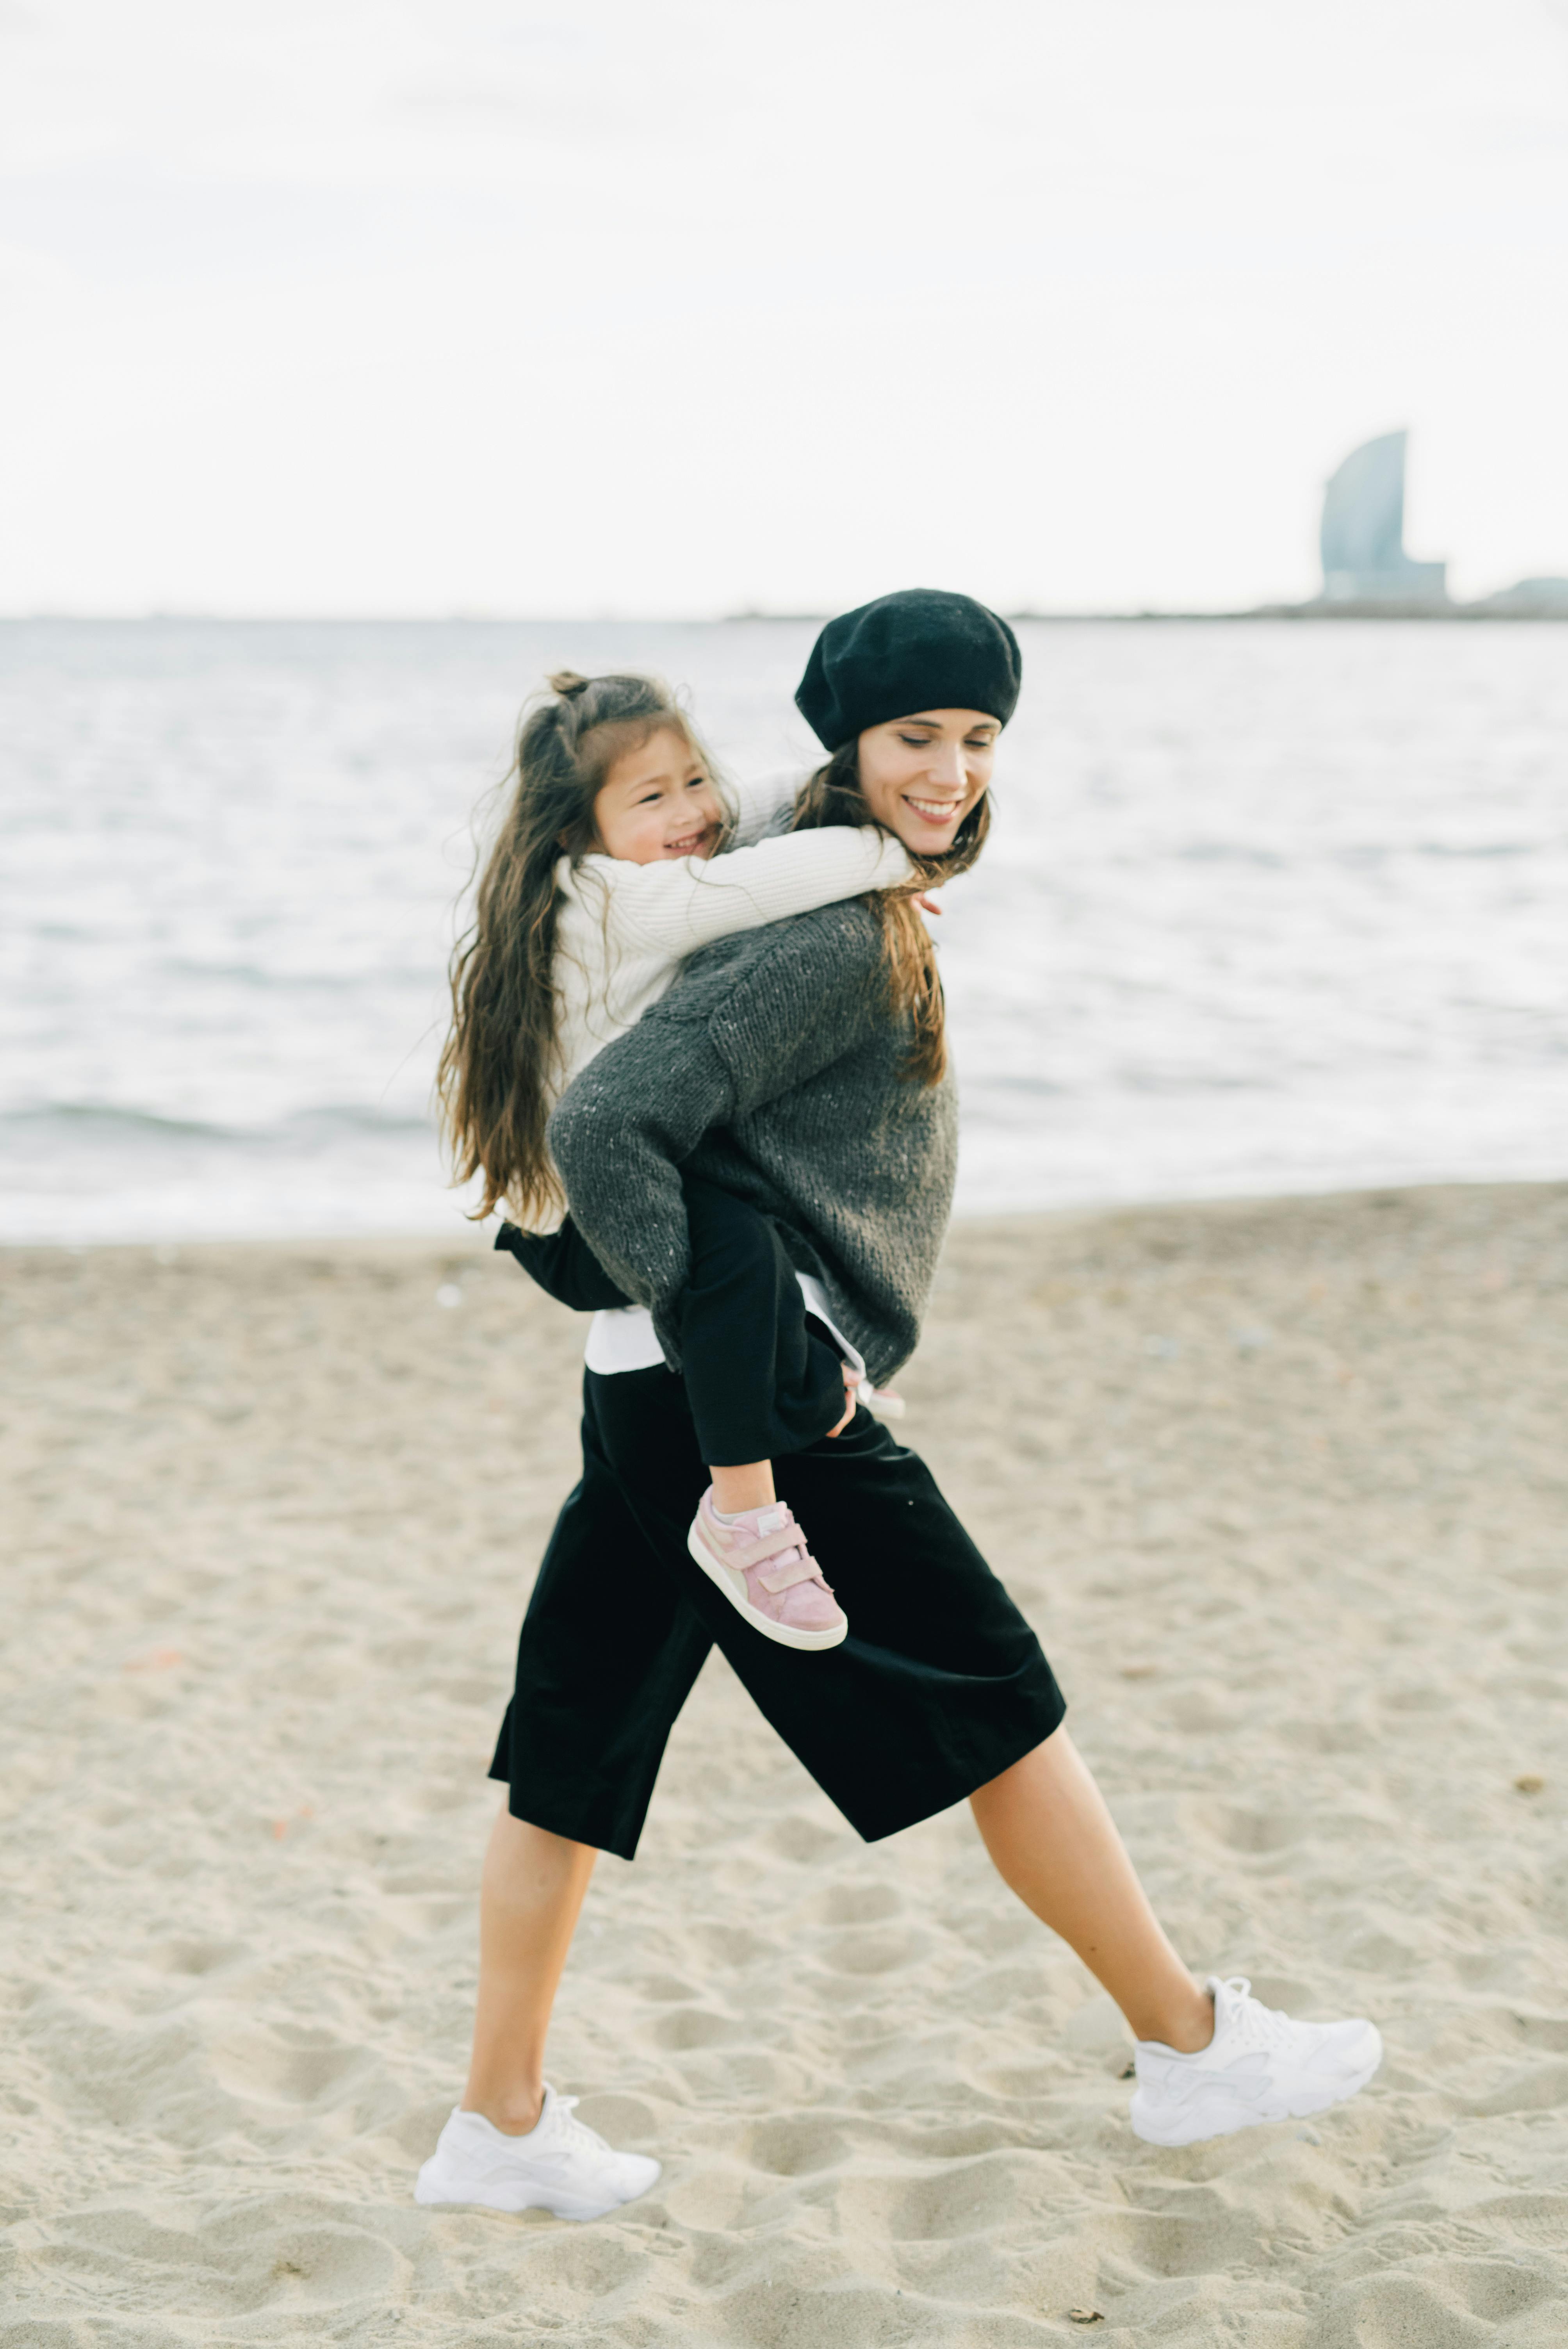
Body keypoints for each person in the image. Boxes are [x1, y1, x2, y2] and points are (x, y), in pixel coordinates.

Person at [416, 590, 1382, 2221]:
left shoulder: (800, 871)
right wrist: (743, 1340)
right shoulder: (827, 923)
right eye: (913, 738)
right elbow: (616, 1121)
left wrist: (661, 1316)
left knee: (572, 1756)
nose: (946, 770)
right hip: (743, 1392)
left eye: (976, 737)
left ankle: (496, 2129)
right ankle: (1188, 2041)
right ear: (845, 746)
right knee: (997, 1696)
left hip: (647, 1399)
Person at [437, 665, 921, 1652]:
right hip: (581, 1223)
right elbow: (753, 880)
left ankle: (804, 1368)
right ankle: (741, 1514)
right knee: (732, 1240)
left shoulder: (605, 870)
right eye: (651, 798)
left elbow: (758, 804)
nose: (693, 812)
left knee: (746, 1200)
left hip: (573, 1203)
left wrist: (865, 775)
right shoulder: (618, 900)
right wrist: (899, 852)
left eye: (695, 780)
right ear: (579, 829)